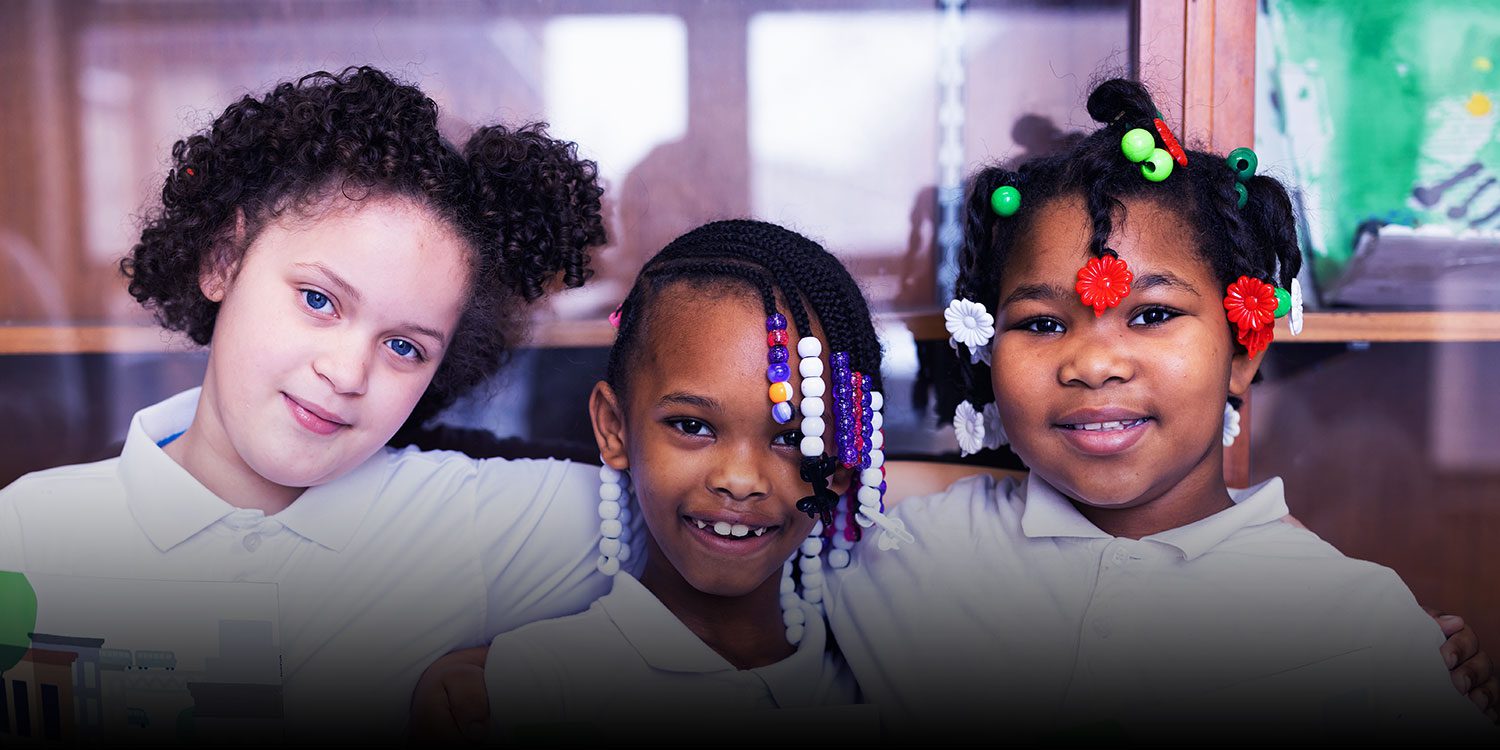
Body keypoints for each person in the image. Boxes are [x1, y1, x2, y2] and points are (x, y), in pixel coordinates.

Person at [826, 78, 1496, 742]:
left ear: (1243, 349)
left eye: (1152, 314)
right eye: (1042, 323)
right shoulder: (905, 549)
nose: (1094, 364)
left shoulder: (1357, 628)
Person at [0, 66, 615, 742]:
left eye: (404, 347)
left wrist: (521, 667)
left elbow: (702, 536)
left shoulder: (480, 524)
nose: (347, 373)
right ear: (223, 260)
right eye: (319, 300)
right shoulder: (28, 533)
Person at [479, 220, 894, 743]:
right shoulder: (539, 681)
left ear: (843, 463)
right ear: (615, 427)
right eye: (692, 426)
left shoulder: (883, 670)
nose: (739, 481)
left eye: (793, 438)